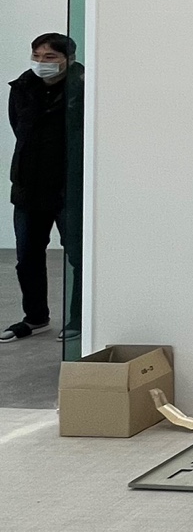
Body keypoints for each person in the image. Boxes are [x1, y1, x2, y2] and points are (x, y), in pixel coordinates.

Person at [1, 33, 83, 342]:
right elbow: (18, 128)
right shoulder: (22, 87)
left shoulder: (83, 87)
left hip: (68, 187)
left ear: (68, 59)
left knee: (77, 257)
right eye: (36, 56)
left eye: (49, 57)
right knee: (27, 257)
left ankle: (79, 319)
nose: (41, 63)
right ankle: (35, 317)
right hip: (29, 185)